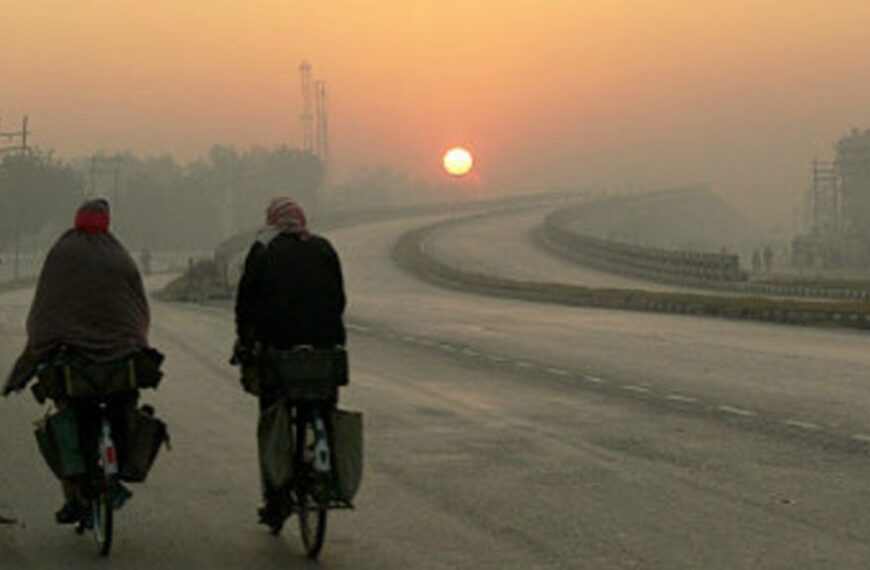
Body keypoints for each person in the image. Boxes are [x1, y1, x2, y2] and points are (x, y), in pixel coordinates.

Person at [3, 199, 151, 523]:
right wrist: (137, 345)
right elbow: (139, 312)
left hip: (77, 366)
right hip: (119, 364)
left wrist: (28, 365)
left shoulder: (62, 254)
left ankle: (75, 492)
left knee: (68, 414)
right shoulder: (120, 256)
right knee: (124, 408)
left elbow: (46, 311)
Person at [233, 197, 346, 527]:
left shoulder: (263, 250)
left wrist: (245, 341)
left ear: (272, 221)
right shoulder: (324, 248)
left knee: (273, 419)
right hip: (325, 353)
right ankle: (328, 469)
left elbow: (245, 304)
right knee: (324, 405)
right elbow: (338, 299)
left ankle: (275, 499)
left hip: (278, 355)